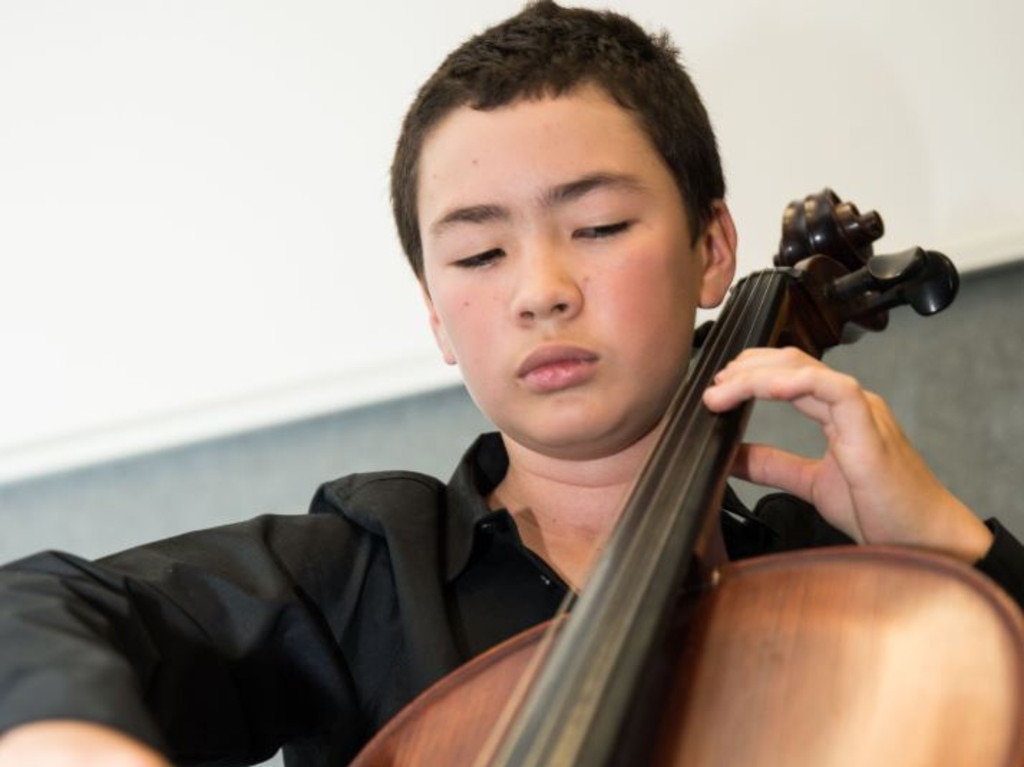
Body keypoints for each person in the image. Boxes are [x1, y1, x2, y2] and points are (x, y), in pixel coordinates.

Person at [1, 2, 1021, 766]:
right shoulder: (359, 575)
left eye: (600, 228)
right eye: (480, 255)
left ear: (713, 249)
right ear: (436, 315)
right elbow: (42, 606)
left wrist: (949, 546)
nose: (540, 290)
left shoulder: (849, 591)